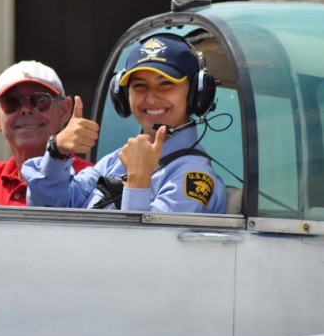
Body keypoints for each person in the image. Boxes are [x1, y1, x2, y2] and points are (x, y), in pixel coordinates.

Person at [22, 34, 226, 213]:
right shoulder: (114, 162)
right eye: (140, 86)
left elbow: (149, 250)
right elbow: (48, 208)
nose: (152, 98)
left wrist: (138, 183)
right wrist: (57, 152)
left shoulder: (194, 176)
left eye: (166, 84)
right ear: (123, 96)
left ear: (195, 93)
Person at [0, 60, 92, 205]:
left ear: (64, 110)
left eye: (40, 100)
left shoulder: (91, 181)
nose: (26, 109)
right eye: (12, 102)